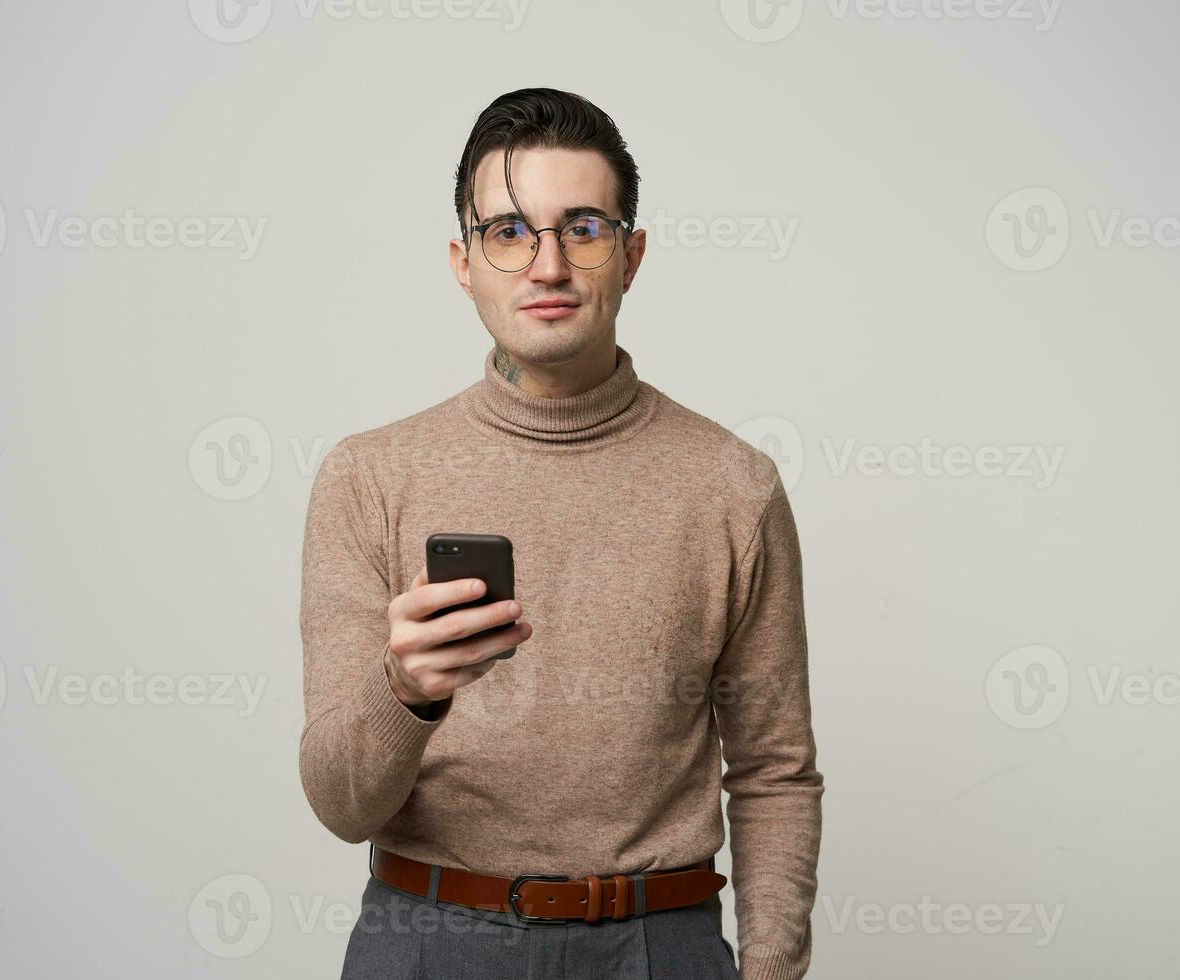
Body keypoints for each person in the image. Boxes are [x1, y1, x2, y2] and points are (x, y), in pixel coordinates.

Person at [299, 87, 824, 980]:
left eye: (582, 227)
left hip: (659, 943)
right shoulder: (368, 476)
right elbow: (341, 803)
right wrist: (406, 693)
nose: (547, 265)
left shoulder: (734, 484)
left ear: (632, 255)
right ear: (464, 263)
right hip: (428, 939)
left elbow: (774, 770)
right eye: (509, 232)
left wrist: (770, 969)